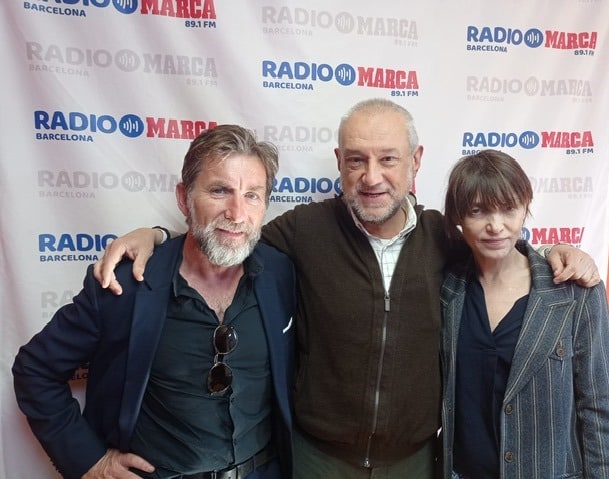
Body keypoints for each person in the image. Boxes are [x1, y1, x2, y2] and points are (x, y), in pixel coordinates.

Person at [93, 99, 601, 479]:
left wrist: (555, 253)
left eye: (388, 159)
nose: (372, 177)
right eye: (357, 160)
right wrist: (156, 236)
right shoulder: (302, 231)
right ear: (339, 161)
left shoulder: (444, 238)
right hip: (316, 458)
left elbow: (497, 240)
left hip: (416, 462)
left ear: (416, 161)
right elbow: (228, 237)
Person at [12, 125, 297, 479]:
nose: (237, 213)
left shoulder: (280, 273)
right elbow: (35, 369)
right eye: (220, 191)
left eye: (252, 195)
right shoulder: (125, 284)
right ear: (184, 198)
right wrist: (89, 461)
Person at [440, 149, 609, 479]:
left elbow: (598, 406)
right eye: (478, 211)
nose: (495, 226)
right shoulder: (447, 288)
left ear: (525, 206)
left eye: (508, 208)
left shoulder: (574, 291)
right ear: (459, 216)